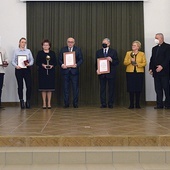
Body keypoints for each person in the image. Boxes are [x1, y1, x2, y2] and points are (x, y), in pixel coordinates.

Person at [59, 37, 83, 108]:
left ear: (74, 43)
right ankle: (66, 103)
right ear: (67, 42)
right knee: (65, 88)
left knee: (75, 88)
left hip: (74, 72)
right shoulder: (63, 49)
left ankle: (75, 103)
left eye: (71, 42)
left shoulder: (78, 49)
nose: (70, 43)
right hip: (65, 72)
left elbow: (81, 59)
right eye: (69, 42)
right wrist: (62, 64)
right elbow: (59, 59)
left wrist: (77, 64)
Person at [96, 38, 119, 108]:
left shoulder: (113, 52)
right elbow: (96, 62)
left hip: (111, 73)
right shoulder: (98, 52)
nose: (104, 44)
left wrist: (111, 60)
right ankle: (103, 103)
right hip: (102, 73)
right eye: (103, 42)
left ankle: (110, 103)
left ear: (109, 44)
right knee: (102, 89)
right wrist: (97, 70)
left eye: (105, 43)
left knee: (111, 89)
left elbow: (117, 62)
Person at [149, 33, 170, 109]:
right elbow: (152, 59)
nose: (155, 39)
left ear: (162, 38)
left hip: (164, 72)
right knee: (158, 89)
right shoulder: (154, 48)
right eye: (155, 38)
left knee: (166, 88)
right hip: (156, 72)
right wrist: (151, 68)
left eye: (157, 38)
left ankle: (168, 104)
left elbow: (168, 58)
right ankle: (159, 104)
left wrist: (162, 66)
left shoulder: (168, 47)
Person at [12, 37, 34, 109]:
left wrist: (29, 64)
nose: (23, 44)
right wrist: (16, 66)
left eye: (25, 42)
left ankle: (28, 101)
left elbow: (32, 60)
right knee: (20, 86)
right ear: (19, 43)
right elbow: (13, 61)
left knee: (29, 86)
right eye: (22, 42)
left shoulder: (28, 51)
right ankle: (21, 101)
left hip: (27, 69)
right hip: (19, 70)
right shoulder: (16, 51)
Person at [124, 41, 147, 109]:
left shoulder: (142, 54)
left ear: (138, 47)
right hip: (130, 73)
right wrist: (130, 61)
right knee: (131, 88)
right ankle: (131, 104)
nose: (133, 46)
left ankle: (137, 104)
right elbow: (125, 62)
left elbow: (144, 63)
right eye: (132, 45)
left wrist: (137, 64)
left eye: (134, 45)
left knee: (138, 88)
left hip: (139, 73)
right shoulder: (128, 53)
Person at [36, 39, 57, 109]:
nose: (46, 46)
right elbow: (37, 62)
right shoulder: (40, 53)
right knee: (43, 89)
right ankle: (44, 103)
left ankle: (49, 103)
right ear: (42, 46)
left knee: (49, 89)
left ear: (49, 46)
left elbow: (55, 62)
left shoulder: (52, 53)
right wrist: (43, 65)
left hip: (51, 72)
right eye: (44, 45)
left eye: (47, 45)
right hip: (42, 72)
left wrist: (52, 66)